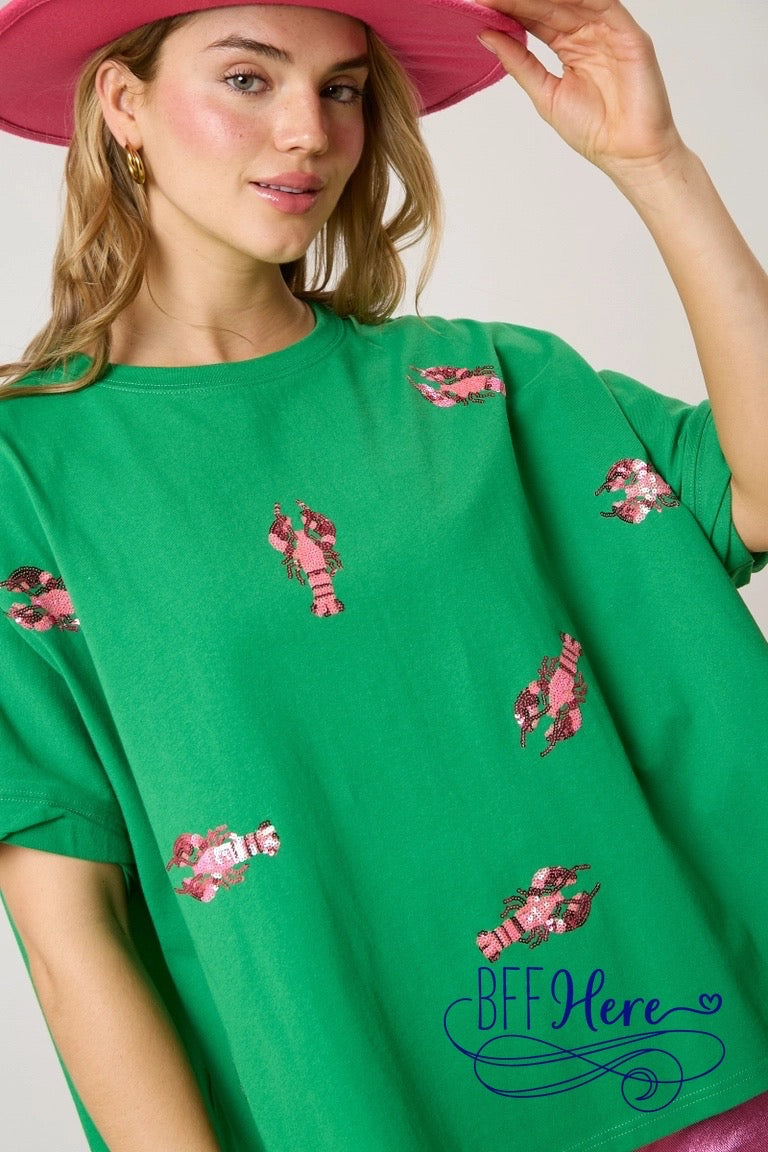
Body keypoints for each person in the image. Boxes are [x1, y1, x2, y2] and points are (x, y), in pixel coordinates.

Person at [0, 0, 766, 1149]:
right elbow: (70, 932)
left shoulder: (485, 386)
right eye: (250, 79)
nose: (309, 130)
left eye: (342, 88)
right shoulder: (24, 473)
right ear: (124, 104)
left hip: (684, 1084)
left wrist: (656, 164)